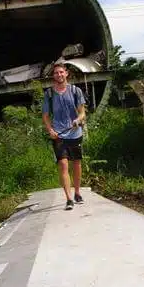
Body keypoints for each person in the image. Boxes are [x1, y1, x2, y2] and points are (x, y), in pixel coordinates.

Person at [42, 63, 87, 210]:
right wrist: (50, 130)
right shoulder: (49, 94)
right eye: (56, 73)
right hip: (59, 135)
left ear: (66, 73)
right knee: (63, 164)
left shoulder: (75, 91)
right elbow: (46, 116)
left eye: (61, 72)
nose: (59, 75)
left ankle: (77, 192)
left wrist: (77, 120)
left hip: (75, 133)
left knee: (77, 164)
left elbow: (82, 113)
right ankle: (69, 199)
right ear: (53, 76)